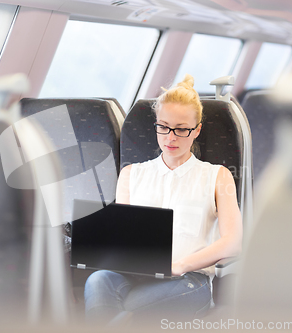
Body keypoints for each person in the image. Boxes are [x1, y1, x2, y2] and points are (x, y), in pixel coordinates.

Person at [84, 74, 243, 324]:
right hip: (136, 275)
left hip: (189, 280)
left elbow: (232, 242)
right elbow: (122, 239)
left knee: (126, 306)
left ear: (197, 130)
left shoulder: (217, 176)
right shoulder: (131, 174)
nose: (171, 138)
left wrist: (180, 264)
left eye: (181, 130)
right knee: (98, 279)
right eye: (164, 127)